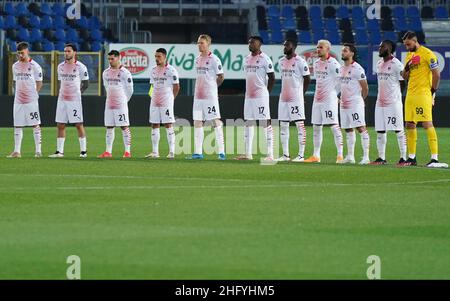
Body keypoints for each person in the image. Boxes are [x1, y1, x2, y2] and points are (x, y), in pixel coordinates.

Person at [401, 31, 445, 167]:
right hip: (410, 94)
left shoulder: (428, 54)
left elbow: (436, 74)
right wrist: (406, 68)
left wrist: (432, 91)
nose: (407, 47)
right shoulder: (409, 55)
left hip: (423, 93)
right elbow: (404, 76)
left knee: (426, 123)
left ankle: (434, 159)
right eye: (405, 45)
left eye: (408, 44)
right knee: (409, 124)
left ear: (415, 41)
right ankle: (412, 157)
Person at [235, 36, 275, 161]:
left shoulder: (265, 59)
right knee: (249, 123)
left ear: (259, 44)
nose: (250, 44)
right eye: (249, 42)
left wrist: (266, 92)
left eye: (252, 42)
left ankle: (270, 154)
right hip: (249, 96)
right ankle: (248, 154)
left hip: (260, 96)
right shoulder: (246, 59)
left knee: (265, 122)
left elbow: (272, 77)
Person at [304, 40, 344, 164]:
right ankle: (316, 155)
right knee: (316, 127)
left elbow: (341, 81)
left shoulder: (334, 64)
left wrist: (336, 95)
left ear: (327, 49)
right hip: (317, 99)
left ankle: (340, 155)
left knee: (333, 126)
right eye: (317, 47)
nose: (318, 49)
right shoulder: (316, 63)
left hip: (329, 100)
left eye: (321, 47)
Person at [370, 40, 407, 165]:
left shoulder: (397, 64)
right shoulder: (379, 63)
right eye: (379, 46)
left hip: (393, 103)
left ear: (389, 49)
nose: (380, 48)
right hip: (380, 102)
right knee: (380, 130)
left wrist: (396, 96)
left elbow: (403, 82)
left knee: (398, 129)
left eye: (382, 46)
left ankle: (403, 157)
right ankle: (381, 158)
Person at [49, 43, 89, 158]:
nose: (66, 53)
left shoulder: (81, 67)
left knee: (78, 124)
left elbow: (86, 84)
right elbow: (60, 82)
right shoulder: (60, 66)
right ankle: (59, 152)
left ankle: (83, 151)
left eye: (68, 51)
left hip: (74, 100)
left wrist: (77, 93)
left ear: (74, 52)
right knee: (60, 124)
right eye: (65, 51)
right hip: (62, 99)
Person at [190, 34, 225, 160]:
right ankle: (198, 152)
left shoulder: (214, 59)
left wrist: (213, 89)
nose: (199, 45)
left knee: (215, 121)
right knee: (197, 122)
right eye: (198, 43)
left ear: (208, 44)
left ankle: (221, 151)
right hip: (198, 97)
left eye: (202, 43)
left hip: (210, 96)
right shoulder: (197, 59)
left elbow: (221, 76)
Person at [276, 39, 310, 162]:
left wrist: (301, 94)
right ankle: (286, 155)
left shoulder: (301, 62)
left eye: (287, 45)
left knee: (299, 125)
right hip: (283, 98)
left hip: (296, 98)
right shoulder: (281, 61)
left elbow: (307, 79)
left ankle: (301, 155)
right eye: (284, 45)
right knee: (283, 125)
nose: (284, 47)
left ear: (294, 47)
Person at [7, 42, 43, 158]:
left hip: (31, 100)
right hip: (18, 100)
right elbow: (15, 81)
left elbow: (39, 82)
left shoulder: (35, 66)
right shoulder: (15, 66)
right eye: (18, 53)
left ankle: (38, 151)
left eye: (22, 53)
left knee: (35, 124)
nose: (20, 55)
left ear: (27, 51)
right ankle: (17, 151)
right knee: (17, 125)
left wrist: (34, 94)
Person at [338, 43, 370, 165]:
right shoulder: (341, 69)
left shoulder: (357, 69)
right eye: (342, 51)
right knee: (348, 129)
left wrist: (360, 100)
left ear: (352, 53)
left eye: (345, 51)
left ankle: (366, 157)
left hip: (355, 103)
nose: (343, 53)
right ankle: (350, 156)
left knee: (361, 128)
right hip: (344, 104)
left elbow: (365, 87)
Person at [98, 50, 134, 158]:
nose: (110, 61)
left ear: (118, 58)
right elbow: (106, 87)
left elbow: (130, 90)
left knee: (124, 126)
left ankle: (127, 152)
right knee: (109, 127)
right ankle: (108, 152)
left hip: (120, 104)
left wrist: (124, 100)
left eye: (112, 58)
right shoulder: (105, 72)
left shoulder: (125, 72)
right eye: (109, 59)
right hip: (109, 104)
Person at [146, 48, 180, 159]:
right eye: (156, 56)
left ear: (165, 57)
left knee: (168, 124)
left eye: (159, 56)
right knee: (154, 124)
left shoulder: (171, 70)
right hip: (155, 101)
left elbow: (176, 87)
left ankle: (171, 152)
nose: (157, 58)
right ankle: (155, 152)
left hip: (166, 101)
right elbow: (152, 85)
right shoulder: (153, 70)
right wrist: (152, 97)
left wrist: (171, 99)